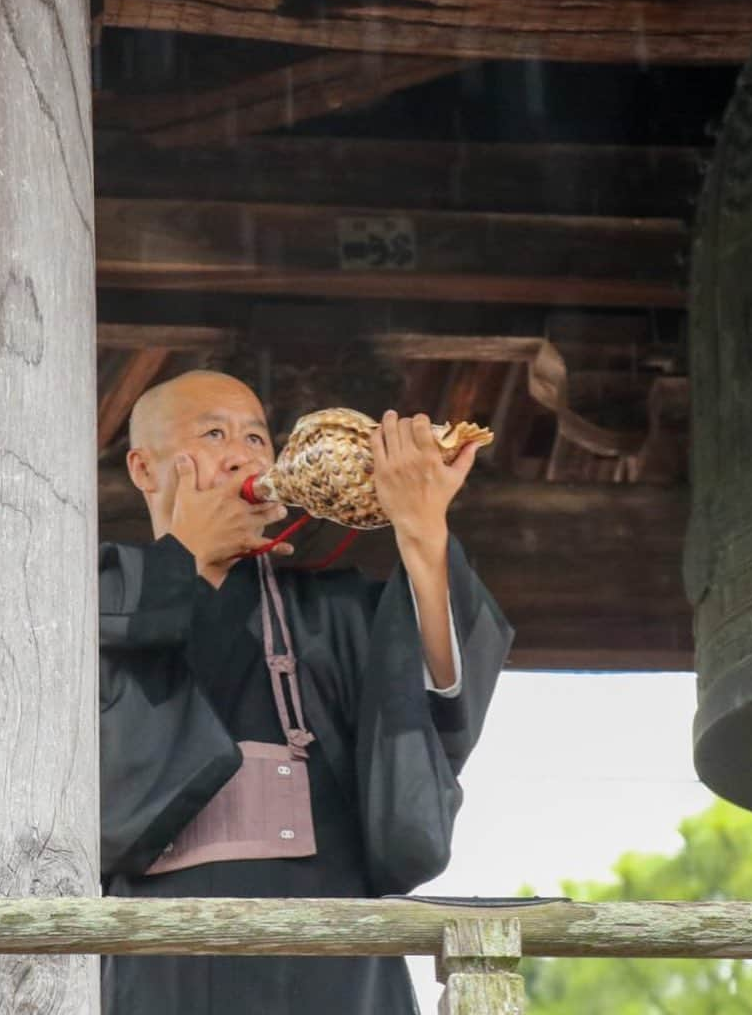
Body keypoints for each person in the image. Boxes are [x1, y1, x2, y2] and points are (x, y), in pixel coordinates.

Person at [99, 370, 513, 1014]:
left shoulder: (331, 612)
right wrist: (192, 561)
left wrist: (421, 529)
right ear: (144, 469)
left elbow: (434, 703)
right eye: (214, 433)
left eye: (257, 438)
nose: (243, 454)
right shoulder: (96, 595)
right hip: (165, 949)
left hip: (335, 949)